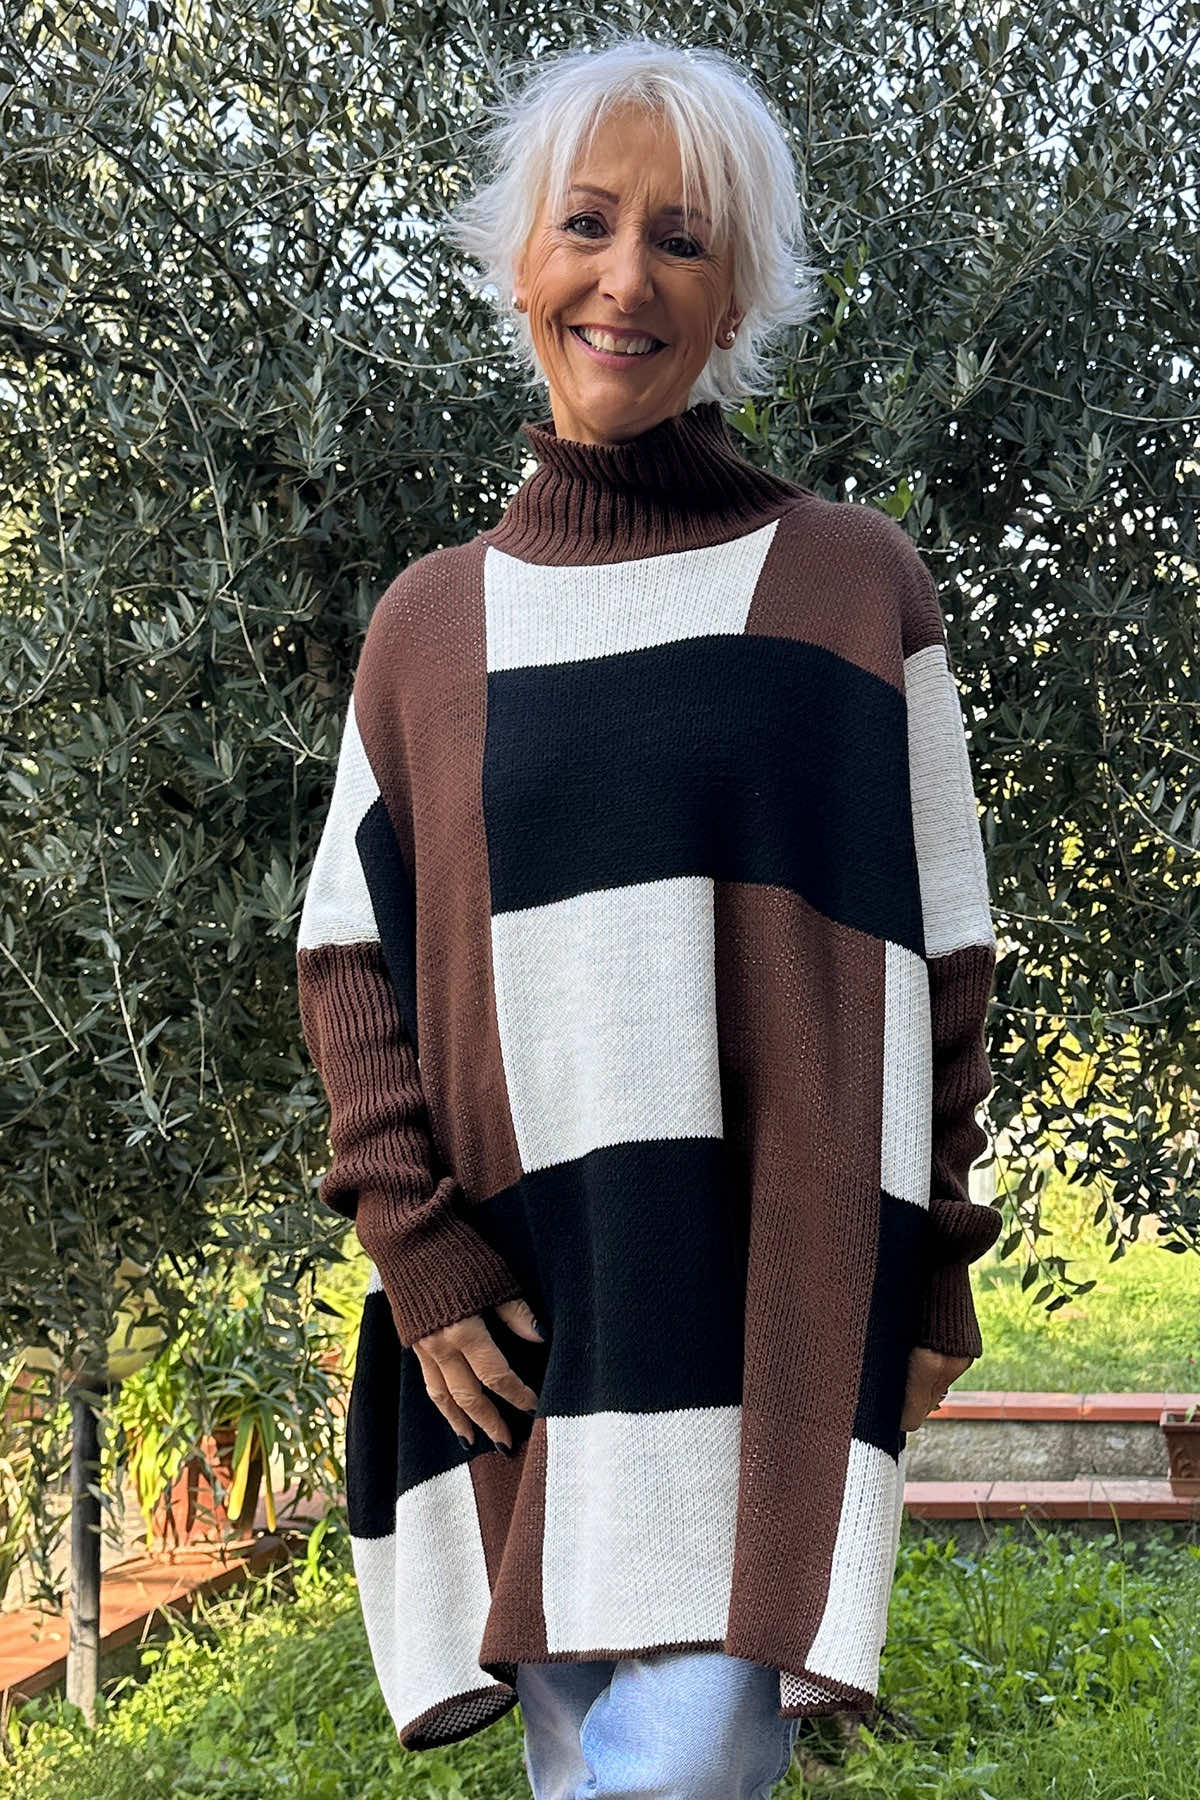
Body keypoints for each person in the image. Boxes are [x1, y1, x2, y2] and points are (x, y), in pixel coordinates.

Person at [295, 31, 1002, 1800]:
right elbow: (346, 958)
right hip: (520, 1313)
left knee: (675, 1772)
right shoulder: (431, 629)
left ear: (735, 296)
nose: (627, 279)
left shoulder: (847, 587)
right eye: (587, 225)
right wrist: (418, 1248)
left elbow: (944, 956)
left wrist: (932, 1266)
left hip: (767, 1296)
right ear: (518, 262)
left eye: (683, 240)